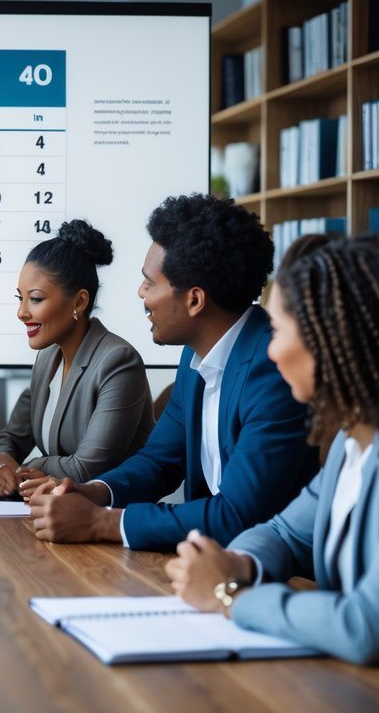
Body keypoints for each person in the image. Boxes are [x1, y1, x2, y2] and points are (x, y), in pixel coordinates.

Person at [166, 236, 379, 696]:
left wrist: (230, 597)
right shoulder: (352, 439)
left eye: (279, 330)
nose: (271, 351)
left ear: (334, 340)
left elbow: (366, 626)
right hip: (359, 690)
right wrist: (235, 563)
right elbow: (284, 532)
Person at [28, 194, 316, 550]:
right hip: (205, 562)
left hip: (274, 572)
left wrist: (101, 522)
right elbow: (159, 461)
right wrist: (93, 493)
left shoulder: (274, 370)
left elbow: (239, 515)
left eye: (150, 283)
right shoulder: (195, 356)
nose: (141, 293)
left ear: (194, 300)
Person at [0, 220, 154, 500]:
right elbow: (12, 438)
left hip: (110, 523)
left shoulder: (118, 362)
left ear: (79, 302)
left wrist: (21, 470)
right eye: (20, 298)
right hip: (58, 514)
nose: (21, 312)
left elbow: (87, 468)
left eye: (35, 299)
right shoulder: (48, 358)